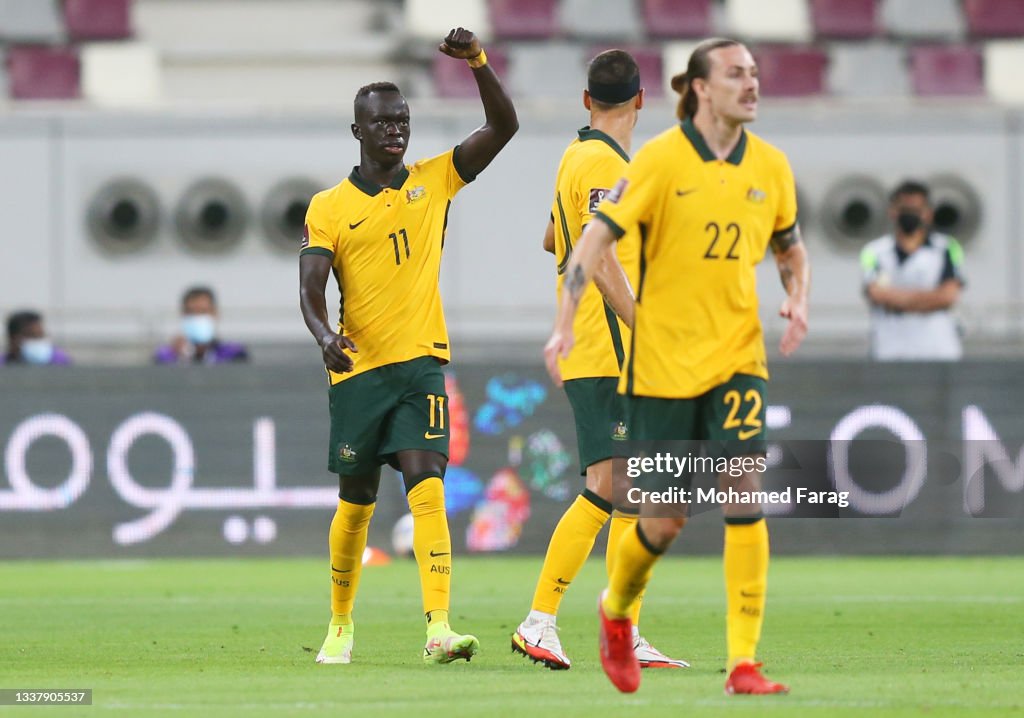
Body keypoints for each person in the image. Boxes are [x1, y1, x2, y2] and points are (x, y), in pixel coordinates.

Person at [543, 38, 810, 695]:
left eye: (754, 71)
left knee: (743, 489)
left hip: (739, 356)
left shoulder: (771, 166)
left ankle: (743, 662)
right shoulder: (656, 160)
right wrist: (561, 326)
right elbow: (591, 239)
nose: (751, 83)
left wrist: (797, 299)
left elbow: (790, 246)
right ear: (697, 88)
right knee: (662, 518)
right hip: (662, 364)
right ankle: (615, 612)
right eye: (736, 74)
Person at [299, 27, 517, 666]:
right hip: (359, 372)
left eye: (403, 120)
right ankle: (340, 626)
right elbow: (311, 286)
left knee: (427, 487)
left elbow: (502, 127)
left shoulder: (436, 180)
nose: (396, 130)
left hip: (421, 364)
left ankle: (439, 627)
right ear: (358, 131)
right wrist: (324, 335)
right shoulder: (329, 207)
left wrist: (477, 63)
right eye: (382, 122)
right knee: (358, 501)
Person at [512, 50, 687, 672]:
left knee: (631, 488)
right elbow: (599, 255)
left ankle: (624, 629)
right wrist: (646, 325)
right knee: (609, 485)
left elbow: (552, 239)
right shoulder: (602, 163)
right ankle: (539, 620)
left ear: (587, 100)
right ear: (643, 101)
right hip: (607, 344)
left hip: (603, 345)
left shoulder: (578, 157)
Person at [861, 180, 965, 361]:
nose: (910, 215)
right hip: (889, 347)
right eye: (905, 209)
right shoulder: (875, 251)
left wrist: (896, 298)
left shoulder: (946, 248)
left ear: (928, 213)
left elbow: (948, 296)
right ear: (892, 212)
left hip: (937, 347)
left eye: (917, 210)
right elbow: (876, 294)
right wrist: (929, 298)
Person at [153, 286, 249, 365]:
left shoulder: (233, 354)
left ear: (215, 314)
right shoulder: (167, 356)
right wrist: (180, 359)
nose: (197, 318)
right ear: (182, 315)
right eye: (191, 312)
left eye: (203, 312)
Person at [3, 310, 72, 366]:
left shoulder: (59, 361)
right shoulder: (3, 366)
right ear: (14, 338)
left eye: (41, 336)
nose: (39, 341)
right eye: (33, 336)